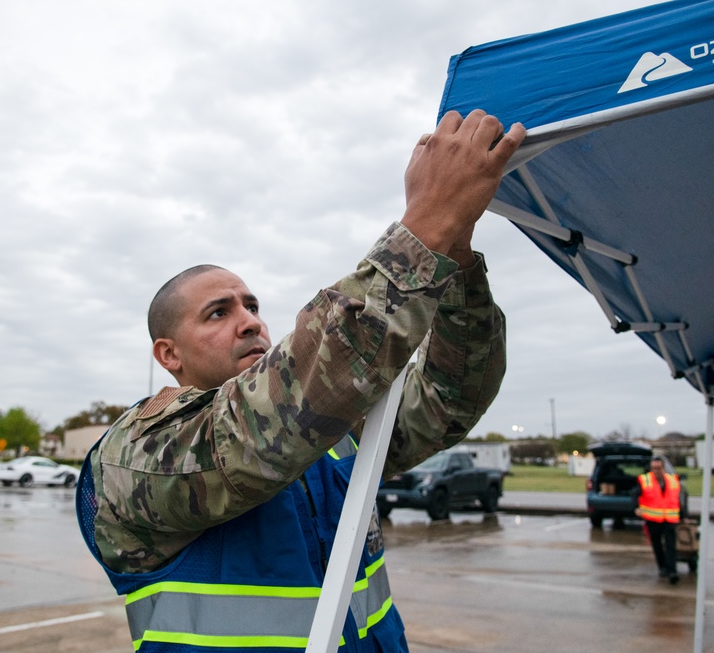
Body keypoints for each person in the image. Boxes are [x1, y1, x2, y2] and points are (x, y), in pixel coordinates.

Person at [76, 109, 526, 652]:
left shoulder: (332, 442)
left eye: (252, 305)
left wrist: (454, 254)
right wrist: (427, 224)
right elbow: (264, 424)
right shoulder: (137, 455)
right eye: (218, 313)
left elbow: (451, 396)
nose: (250, 321)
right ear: (167, 354)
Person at [636, 456, 682, 585]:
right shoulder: (645, 480)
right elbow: (635, 494)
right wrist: (636, 508)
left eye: (658, 468)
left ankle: (672, 571)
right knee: (657, 545)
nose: (656, 471)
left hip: (670, 519)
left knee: (671, 546)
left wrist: (684, 516)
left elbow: (677, 500)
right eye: (654, 468)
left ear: (663, 468)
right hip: (653, 519)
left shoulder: (672, 480)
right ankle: (662, 567)